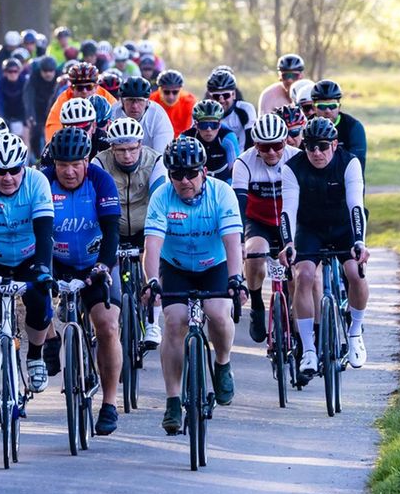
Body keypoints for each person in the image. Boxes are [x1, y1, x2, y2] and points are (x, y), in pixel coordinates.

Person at [141, 138, 247, 435]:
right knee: (174, 322)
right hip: (174, 266)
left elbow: (232, 241)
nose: (185, 180)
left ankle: (223, 364)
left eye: (191, 173)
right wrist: (151, 280)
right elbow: (152, 245)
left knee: (217, 312)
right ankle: (173, 401)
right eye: (177, 174)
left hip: (214, 263)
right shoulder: (162, 197)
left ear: (204, 171)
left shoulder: (222, 193)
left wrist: (235, 278)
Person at [43, 127, 124, 434]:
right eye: (63, 164)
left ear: (87, 160)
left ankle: (109, 403)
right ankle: (50, 338)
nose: (69, 170)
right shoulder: (44, 181)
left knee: (107, 326)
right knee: (36, 293)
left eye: (76, 163)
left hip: (95, 264)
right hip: (58, 262)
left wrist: (104, 265)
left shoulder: (100, 180)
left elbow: (112, 229)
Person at [0, 132, 57, 401]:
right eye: (1, 171)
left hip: (30, 255)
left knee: (40, 300)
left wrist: (43, 269)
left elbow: (45, 233)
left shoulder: (38, 182)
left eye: (14, 170)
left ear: (24, 167)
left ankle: (35, 354)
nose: (8, 177)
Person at [280, 118, 370, 375]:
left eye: (322, 146)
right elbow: (288, 211)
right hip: (310, 229)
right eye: (310, 147)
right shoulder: (292, 167)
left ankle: (354, 334)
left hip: (344, 227)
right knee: (304, 275)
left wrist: (360, 242)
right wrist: (288, 243)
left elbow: (355, 204)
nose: (316, 153)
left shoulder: (348, 162)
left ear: (333, 144)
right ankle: (308, 349)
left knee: (355, 272)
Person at [94, 117, 166, 350]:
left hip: (145, 224)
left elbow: (159, 199)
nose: (127, 155)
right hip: (112, 226)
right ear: (111, 148)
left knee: (152, 265)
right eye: (121, 150)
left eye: (133, 149)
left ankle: (153, 319)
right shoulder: (100, 163)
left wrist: (155, 236)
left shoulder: (155, 160)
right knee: (106, 274)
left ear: (141, 145)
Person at [229, 116, 300, 343]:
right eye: (264, 147)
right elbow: (239, 205)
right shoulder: (244, 162)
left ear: (285, 142)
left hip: (290, 220)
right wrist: (239, 242)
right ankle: (258, 305)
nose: (271, 152)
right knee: (254, 253)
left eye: (277, 146)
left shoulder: (296, 158)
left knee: (296, 269)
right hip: (258, 220)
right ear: (255, 146)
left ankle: (293, 309)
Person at [44, 62, 117, 139]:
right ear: (72, 88)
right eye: (79, 88)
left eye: (89, 87)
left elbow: (119, 117)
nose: (84, 91)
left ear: (96, 86)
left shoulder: (105, 96)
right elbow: (53, 128)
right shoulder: (63, 100)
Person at [310, 80, 367, 171]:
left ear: (339, 106)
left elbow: (357, 164)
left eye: (332, 106)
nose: (328, 110)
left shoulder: (354, 127)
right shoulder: (306, 126)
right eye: (322, 106)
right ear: (314, 108)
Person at [181, 99, 240, 183]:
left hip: (224, 180)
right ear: (196, 125)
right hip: (196, 181)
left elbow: (235, 170)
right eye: (203, 125)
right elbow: (179, 169)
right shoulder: (186, 138)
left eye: (213, 125)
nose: (209, 129)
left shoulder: (228, 137)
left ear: (219, 124)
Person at [118, 75, 175, 153]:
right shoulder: (113, 113)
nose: (135, 106)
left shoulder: (158, 117)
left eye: (140, 100)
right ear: (121, 101)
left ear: (148, 101)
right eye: (130, 100)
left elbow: (162, 156)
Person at [207, 67, 256, 150]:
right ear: (210, 96)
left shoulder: (245, 109)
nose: (221, 100)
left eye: (226, 95)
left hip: (242, 159)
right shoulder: (200, 113)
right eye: (216, 96)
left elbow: (251, 142)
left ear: (233, 94)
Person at [24, 55, 63, 157]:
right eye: (45, 71)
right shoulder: (34, 77)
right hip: (38, 109)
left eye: (51, 71)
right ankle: (37, 157)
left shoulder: (60, 77)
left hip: (54, 109)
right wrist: (30, 114)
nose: (48, 74)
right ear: (40, 70)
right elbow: (28, 97)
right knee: (35, 133)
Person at [151, 70, 196, 136]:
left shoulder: (189, 102)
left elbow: (189, 131)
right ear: (159, 90)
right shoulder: (151, 101)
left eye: (175, 92)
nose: (171, 97)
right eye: (166, 92)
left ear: (180, 90)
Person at [0, 57, 29, 136]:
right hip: (7, 114)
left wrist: (27, 117)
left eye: (15, 71)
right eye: (10, 71)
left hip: (22, 113)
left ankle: (28, 148)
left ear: (19, 71)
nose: (13, 74)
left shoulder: (25, 83)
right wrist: (2, 117)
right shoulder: (0, 85)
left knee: (26, 133)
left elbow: (28, 100)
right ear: (5, 72)